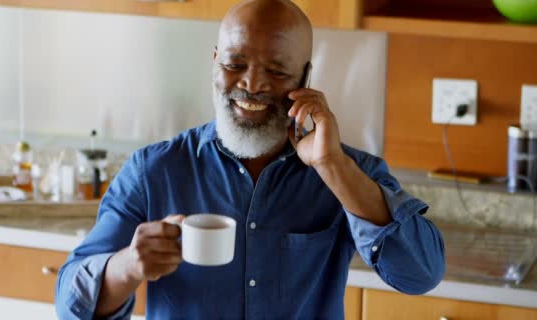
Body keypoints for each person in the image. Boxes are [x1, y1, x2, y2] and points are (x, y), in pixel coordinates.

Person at [55, 0, 445, 319]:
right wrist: (129, 265)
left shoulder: (349, 173)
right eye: (234, 64)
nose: (252, 84)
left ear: (305, 78)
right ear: (214, 61)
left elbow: (421, 275)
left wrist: (332, 166)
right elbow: (69, 304)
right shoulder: (154, 170)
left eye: (275, 70)